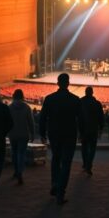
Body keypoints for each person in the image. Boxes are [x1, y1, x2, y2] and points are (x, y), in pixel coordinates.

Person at [40, 73, 83, 205]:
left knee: (55, 159)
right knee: (66, 163)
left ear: (57, 83)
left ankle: (54, 183)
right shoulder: (75, 100)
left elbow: (42, 118)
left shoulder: (49, 99)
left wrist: (42, 134)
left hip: (54, 134)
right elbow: (81, 119)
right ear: (68, 83)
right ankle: (60, 191)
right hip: (69, 134)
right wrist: (81, 134)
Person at [8, 89, 35, 185]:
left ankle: (16, 171)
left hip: (13, 134)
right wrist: (32, 133)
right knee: (21, 154)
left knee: (14, 153)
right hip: (24, 134)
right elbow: (31, 122)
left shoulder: (10, 107)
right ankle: (20, 171)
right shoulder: (27, 107)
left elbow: (7, 122)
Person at [79, 86, 104, 175]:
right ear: (92, 93)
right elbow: (101, 117)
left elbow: (78, 117)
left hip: (83, 130)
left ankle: (85, 164)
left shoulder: (80, 102)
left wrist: (78, 130)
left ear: (85, 92)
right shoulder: (97, 103)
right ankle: (89, 165)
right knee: (92, 149)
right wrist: (101, 128)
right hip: (93, 130)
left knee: (84, 147)